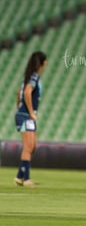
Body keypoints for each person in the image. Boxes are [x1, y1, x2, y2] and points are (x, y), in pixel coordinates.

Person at [14, 51, 47, 187]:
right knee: (28, 146)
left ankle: (19, 176)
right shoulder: (34, 77)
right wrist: (30, 112)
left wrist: (19, 107)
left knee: (32, 147)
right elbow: (27, 92)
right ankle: (26, 179)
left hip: (23, 114)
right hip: (26, 115)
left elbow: (19, 92)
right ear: (43, 63)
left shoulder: (28, 77)